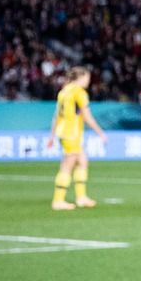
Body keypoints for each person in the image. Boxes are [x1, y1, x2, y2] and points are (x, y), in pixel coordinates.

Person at [48, 65, 105, 210]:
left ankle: (81, 197)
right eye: (87, 78)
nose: (88, 82)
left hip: (64, 132)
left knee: (82, 161)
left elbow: (56, 116)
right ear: (81, 77)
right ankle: (58, 200)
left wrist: (52, 135)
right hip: (71, 133)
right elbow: (87, 116)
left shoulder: (64, 91)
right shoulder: (79, 92)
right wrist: (100, 132)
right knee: (68, 164)